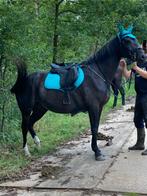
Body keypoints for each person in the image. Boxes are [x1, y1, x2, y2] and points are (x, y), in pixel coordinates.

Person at [120, 43, 147, 156]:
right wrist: (123, 67)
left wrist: (136, 67)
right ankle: (140, 144)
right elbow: (127, 76)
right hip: (139, 96)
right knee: (137, 120)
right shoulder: (139, 64)